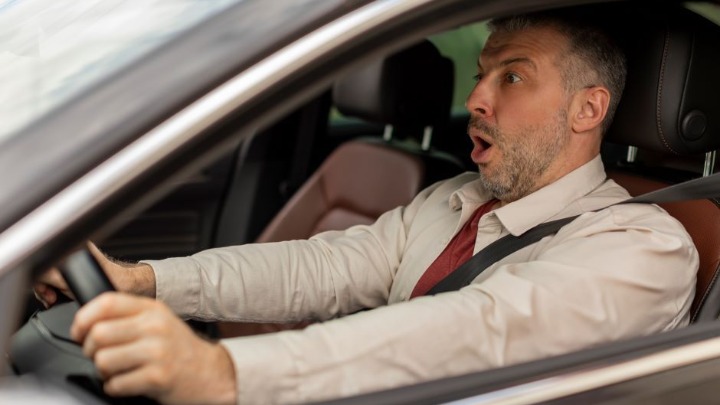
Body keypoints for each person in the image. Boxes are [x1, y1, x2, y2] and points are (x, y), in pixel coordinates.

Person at [35, 9, 698, 405]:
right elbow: (320, 269)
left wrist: (227, 372)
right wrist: (143, 282)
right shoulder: (454, 199)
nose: (476, 98)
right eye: (481, 74)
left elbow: (474, 331)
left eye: (513, 76)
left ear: (588, 109)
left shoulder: (642, 246)